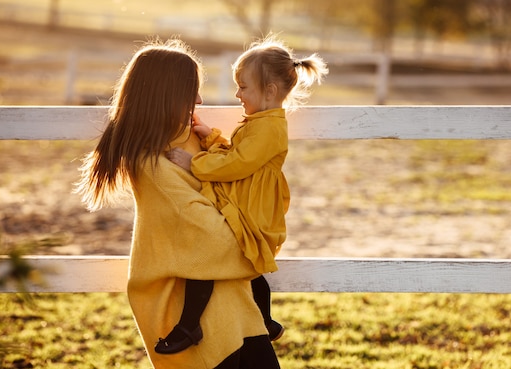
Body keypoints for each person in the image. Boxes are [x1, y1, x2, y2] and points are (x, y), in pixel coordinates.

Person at [75, 38, 281, 369]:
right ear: (166, 95)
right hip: (210, 327)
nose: (199, 99)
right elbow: (220, 243)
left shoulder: (187, 138)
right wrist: (260, 245)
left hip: (237, 312)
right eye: (191, 90)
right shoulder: (154, 168)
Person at [157, 36, 328, 354]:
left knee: (211, 255)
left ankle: (189, 324)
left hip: (251, 209)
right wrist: (210, 137)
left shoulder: (269, 129)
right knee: (246, 263)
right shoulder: (261, 122)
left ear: (270, 91)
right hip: (246, 204)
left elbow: (237, 163)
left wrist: (194, 164)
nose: (237, 94)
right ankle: (265, 319)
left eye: (243, 87)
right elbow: (239, 154)